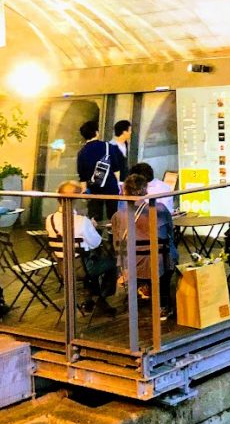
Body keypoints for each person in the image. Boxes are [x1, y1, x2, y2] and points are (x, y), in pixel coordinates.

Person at [45, 180, 117, 316]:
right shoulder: (82, 221)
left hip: (62, 267)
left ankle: (90, 299)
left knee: (90, 258)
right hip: (82, 268)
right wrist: (91, 226)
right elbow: (96, 242)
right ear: (76, 200)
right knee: (112, 262)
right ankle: (101, 299)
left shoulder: (50, 219)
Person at [111, 173, 177, 320]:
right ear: (145, 190)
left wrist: (122, 266)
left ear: (125, 191)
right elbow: (170, 232)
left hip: (133, 263)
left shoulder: (118, 216)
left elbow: (118, 244)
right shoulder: (160, 209)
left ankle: (143, 288)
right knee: (171, 253)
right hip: (159, 262)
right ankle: (162, 306)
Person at [76, 120, 126, 220]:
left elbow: (82, 176)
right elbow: (116, 168)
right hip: (111, 187)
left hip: (94, 188)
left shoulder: (82, 152)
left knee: (95, 217)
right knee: (113, 216)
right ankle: (113, 230)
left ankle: (95, 229)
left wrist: (84, 192)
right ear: (96, 132)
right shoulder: (108, 147)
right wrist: (119, 184)